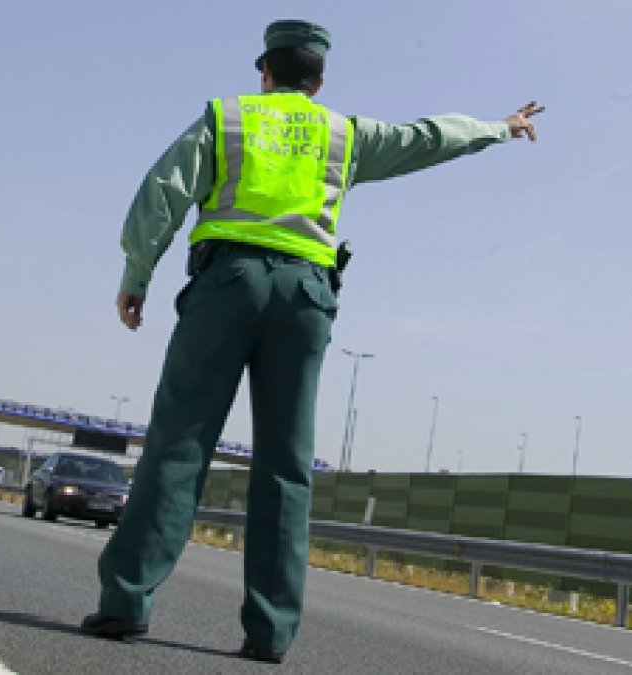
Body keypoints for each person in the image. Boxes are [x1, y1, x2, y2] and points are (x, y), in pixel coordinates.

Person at [80, 19, 543, 664]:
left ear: (262, 71)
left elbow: (162, 194)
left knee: (179, 446)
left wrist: (137, 274)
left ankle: (125, 604)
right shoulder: (344, 134)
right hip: (304, 300)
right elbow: (427, 138)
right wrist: (501, 126)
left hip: (225, 286)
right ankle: (269, 633)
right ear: (319, 81)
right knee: (285, 466)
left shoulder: (227, 118)